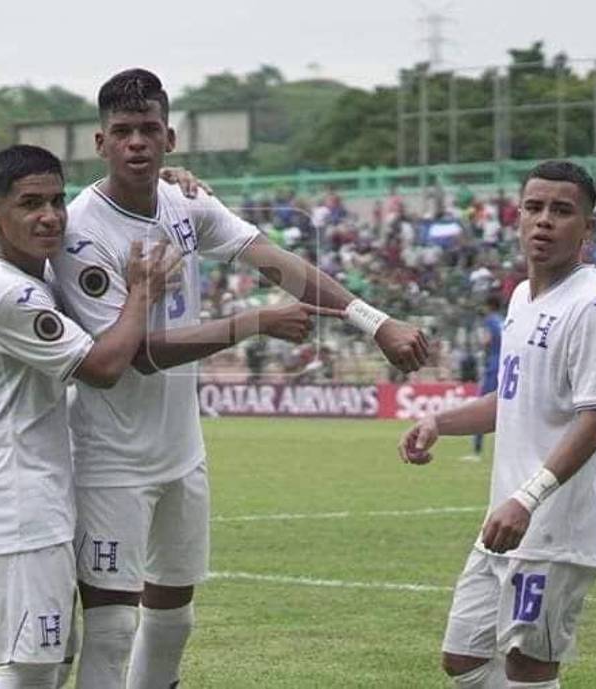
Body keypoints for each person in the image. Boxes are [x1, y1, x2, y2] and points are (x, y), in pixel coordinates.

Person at [50, 68, 428, 689]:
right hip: (108, 457)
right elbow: (131, 356)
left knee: (174, 619)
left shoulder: (186, 202)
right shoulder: (82, 232)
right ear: (100, 143)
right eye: (122, 132)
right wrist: (249, 322)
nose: (137, 143)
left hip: (181, 451)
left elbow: (276, 262)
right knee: (114, 629)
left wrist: (372, 321)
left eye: (148, 129)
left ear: (170, 137)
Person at [0, 144, 179, 688]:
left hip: (36, 501)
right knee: (31, 670)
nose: (49, 216)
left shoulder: (32, 278)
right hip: (14, 506)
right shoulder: (6, 293)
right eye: (30, 204)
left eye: (56, 201)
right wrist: (142, 293)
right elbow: (103, 366)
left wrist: (163, 183)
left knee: (50, 667)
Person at [397, 160, 596, 689]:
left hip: (553, 525)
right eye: (534, 207)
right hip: (505, 518)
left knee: (528, 666)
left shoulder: (594, 308)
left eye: (562, 211)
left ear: (587, 228)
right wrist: (439, 420)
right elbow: (513, 398)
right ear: (517, 216)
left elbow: (595, 420)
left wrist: (529, 497)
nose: (544, 220)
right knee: (464, 659)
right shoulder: (523, 296)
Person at [466, 295, 504, 462]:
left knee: (481, 407)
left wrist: (482, 344)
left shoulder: (490, 320)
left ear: (489, 306)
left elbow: (487, 340)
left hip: (493, 366)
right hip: (504, 365)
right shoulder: (503, 320)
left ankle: (476, 451)